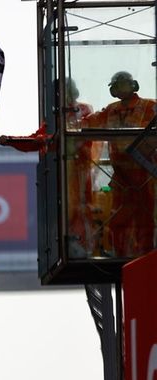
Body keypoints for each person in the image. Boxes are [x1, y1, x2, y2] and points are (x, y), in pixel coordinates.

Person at [83, 71, 157, 256]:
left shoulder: (151, 106)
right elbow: (87, 124)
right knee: (118, 221)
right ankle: (122, 256)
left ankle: (144, 257)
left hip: (146, 176)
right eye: (117, 85)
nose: (120, 88)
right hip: (121, 178)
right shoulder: (110, 110)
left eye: (123, 83)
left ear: (133, 85)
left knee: (145, 221)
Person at [64, 78, 101, 257]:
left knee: (83, 204)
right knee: (67, 207)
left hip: (82, 167)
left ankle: (87, 244)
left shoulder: (84, 109)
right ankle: (73, 243)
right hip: (63, 168)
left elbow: (90, 131)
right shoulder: (54, 111)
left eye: (68, 88)